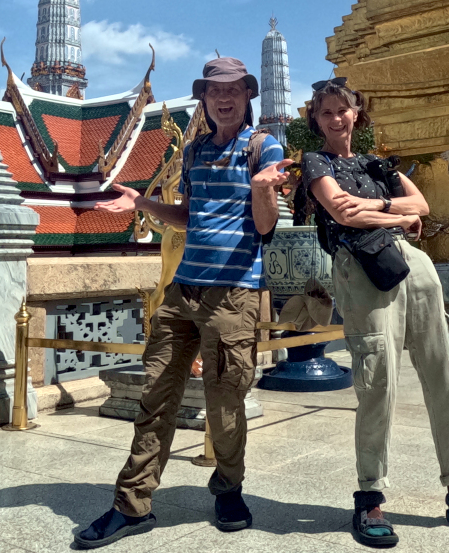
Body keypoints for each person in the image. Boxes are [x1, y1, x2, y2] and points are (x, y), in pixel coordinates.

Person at [75, 57, 290, 548]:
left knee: (225, 402)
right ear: (204, 99)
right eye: (215, 91)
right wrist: (142, 204)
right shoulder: (193, 151)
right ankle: (132, 504)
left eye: (233, 90)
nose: (224, 98)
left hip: (233, 293)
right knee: (155, 396)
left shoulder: (263, 146)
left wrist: (263, 189)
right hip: (182, 290)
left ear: (247, 95)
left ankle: (229, 489)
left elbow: (264, 226)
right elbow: (190, 217)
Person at [296, 78, 449, 548]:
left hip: (413, 264)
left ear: (357, 114)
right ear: (316, 119)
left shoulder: (376, 164)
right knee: (378, 381)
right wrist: (398, 216)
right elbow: (343, 213)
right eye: (326, 112)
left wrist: (378, 205)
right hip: (364, 268)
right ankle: (369, 496)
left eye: (343, 110)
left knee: (443, 372)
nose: (336, 118)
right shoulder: (316, 162)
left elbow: (423, 205)